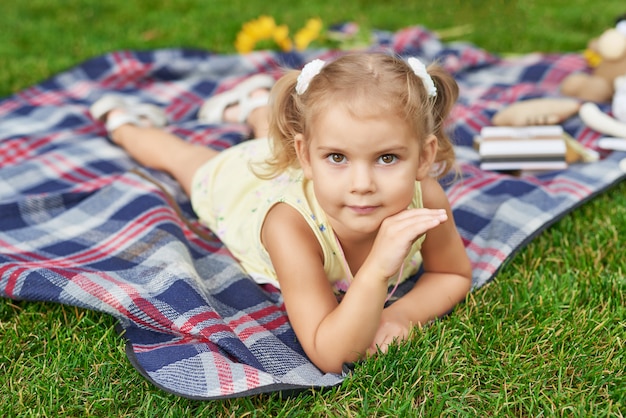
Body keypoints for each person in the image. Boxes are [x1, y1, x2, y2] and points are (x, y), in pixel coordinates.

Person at [89, 52, 473, 374]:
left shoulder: (427, 198)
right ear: (306, 156)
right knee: (185, 160)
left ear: (424, 157)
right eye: (337, 157)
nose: (362, 184)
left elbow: (451, 272)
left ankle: (258, 108)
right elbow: (330, 353)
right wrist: (376, 270)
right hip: (243, 192)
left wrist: (400, 315)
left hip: (298, 172)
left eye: (387, 158)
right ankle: (123, 125)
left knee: (270, 147)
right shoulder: (289, 227)